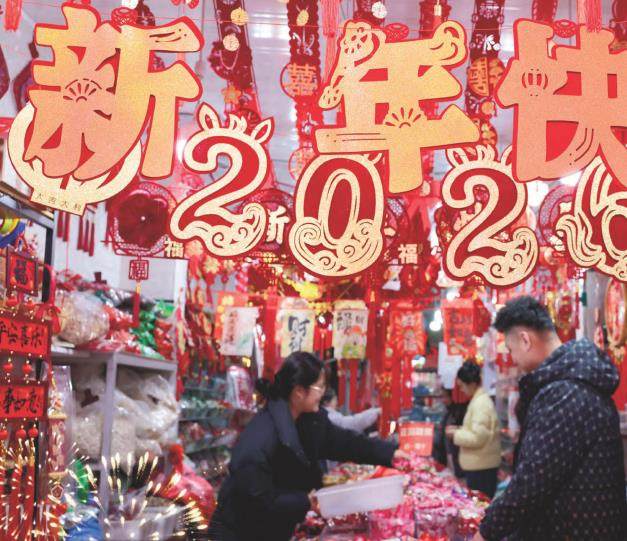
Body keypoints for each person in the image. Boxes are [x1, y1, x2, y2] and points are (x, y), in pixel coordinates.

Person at [473, 296, 626, 541]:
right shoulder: (573, 380)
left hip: (575, 530)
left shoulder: (564, 393)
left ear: (525, 340)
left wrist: (486, 531)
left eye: (510, 349)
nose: (512, 359)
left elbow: (533, 479)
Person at [209, 352, 407, 541]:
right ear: (299, 392)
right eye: (319, 387)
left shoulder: (308, 420)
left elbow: (345, 442)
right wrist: (306, 501)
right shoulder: (261, 438)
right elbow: (257, 499)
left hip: (273, 526)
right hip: (241, 531)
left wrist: (390, 454)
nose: (323, 393)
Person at [446, 360, 501, 499]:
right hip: (479, 466)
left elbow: (477, 438)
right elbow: (475, 430)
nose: (461, 390)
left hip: (481, 469)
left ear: (471, 383)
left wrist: (455, 434)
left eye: (462, 386)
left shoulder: (481, 404)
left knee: (480, 505)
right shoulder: (478, 401)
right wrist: (459, 429)